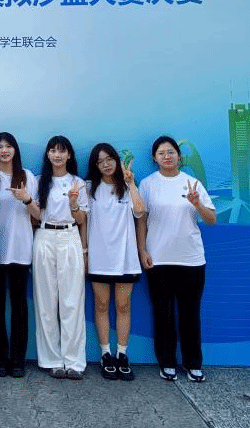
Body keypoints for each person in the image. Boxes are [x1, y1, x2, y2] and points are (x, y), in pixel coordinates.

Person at [137, 135, 217, 383]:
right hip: (158, 258)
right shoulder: (148, 184)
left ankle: (193, 363)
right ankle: (167, 362)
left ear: (179, 156)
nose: (167, 156)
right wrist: (142, 250)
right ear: (154, 158)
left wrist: (197, 204)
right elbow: (141, 219)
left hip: (191, 259)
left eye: (171, 152)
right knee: (163, 313)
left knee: (190, 313)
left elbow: (211, 219)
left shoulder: (192, 183)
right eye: (161, 153)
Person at [85, 142, 146, 381]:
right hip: (99, 257)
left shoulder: (127, 186)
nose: (106, 164)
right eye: (100, 161)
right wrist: (85, 252)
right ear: (95, 165)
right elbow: (82, 221)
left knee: (123, 306)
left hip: (125, 258)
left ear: (117, 161)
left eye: (109, 159)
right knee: (101, 305)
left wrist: (131, 183)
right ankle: (105, 354)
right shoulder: (89, 188)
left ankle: (122, 354)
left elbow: (140, 212)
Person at [33, 135, 89, 380]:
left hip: (70, 236)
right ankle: (52, 360)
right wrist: (27, 200)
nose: (57, 155)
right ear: (48, 154)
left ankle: (74, 361)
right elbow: (34, 215)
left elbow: (82, 220)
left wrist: (74, 203)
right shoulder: (39, 181)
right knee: (46, 301)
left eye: (62, 151)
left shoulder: (78, 182)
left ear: (69, 155)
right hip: (44, 235)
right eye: (53, 151)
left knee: (72, 301)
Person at [0, 132, 39, 378]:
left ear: (15, 149)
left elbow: (38, 215)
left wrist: (26, 199)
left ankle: (18, 359)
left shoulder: (27, 176)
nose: (4, 150)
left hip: (21, 249)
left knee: (19, 305)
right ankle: (0, 358)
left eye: (8, 146)